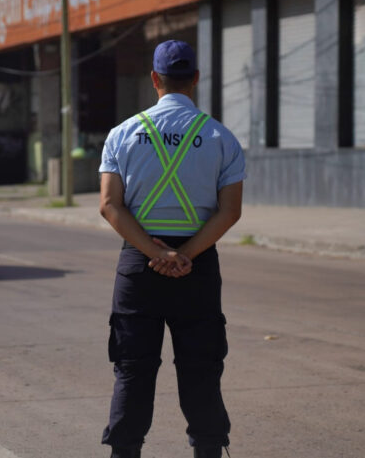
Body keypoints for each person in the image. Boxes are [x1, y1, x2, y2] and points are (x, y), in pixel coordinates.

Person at [99, 40, 246, 458]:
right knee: (201, 372)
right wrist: (185, 256)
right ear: (196, 79)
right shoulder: (220, 137)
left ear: (154, 79)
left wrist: (154, 253)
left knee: (132, 371)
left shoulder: (123, 134)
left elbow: (110, 205)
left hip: (139, 265)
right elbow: (229, 211)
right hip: (196, 268)